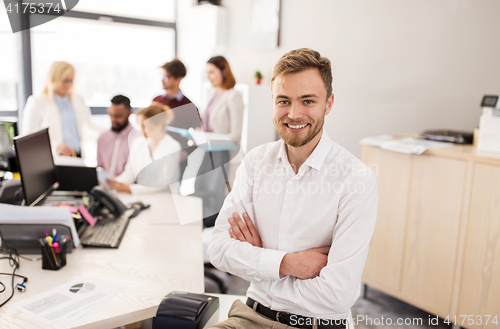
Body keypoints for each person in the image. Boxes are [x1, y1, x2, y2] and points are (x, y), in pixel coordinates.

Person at [207, 48, 378, 329]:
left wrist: (259, 262)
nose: (294, 114)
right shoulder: (255, 163)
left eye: (308, 101)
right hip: (250, 315)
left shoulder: (357, 179)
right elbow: (219, 250)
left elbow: (337, 294)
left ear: (329, 103)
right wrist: (287, 264)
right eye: (283, 101)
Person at [195, 56, 244, 226]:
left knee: (218, 201)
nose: (208, 76)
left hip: (224, 156)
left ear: (223, 72)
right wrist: (202, 132)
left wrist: (209, 136)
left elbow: (236, 135)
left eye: (211, 72)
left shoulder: (233, 96)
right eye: (206, 72)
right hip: (209, 154)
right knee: (203, 197)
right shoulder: (215, 94)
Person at [106, 103, 181, 195]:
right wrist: (114, 183)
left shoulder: (172, 146)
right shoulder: (138, 143)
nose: (141, 130)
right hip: (143, 196)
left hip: (166, 197)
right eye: (139, 126)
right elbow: (129, 173)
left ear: (159, 125)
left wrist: (130, 189)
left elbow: (163, 183)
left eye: (145, 126)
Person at [22, 61, 91, 157]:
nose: (68, 85)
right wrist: (56, 146)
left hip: (77, 154)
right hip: (53, 156)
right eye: (64, 81)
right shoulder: (37, 102)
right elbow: (27, 137)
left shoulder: (78, 99)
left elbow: (89, 125)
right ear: (53, 79)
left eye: (71, 80)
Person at [153, 58, 201, 164]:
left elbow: (198, 138)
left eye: (166, 77)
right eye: (162, 76)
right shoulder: (156, 102)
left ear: (178, 79)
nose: (162, 80)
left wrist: (185, 154)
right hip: (155, 156)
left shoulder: (190, 107)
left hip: (176, 161)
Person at [97, 95, 135, 178]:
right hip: (105, 186)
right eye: (110, 114)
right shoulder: (103, 138)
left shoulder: (137, 138)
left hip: (127, 188)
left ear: (129, 113)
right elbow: (99, 167)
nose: (113, 119)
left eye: (118, 116)